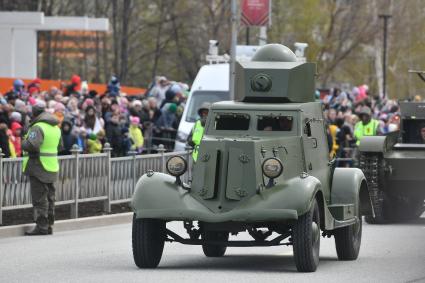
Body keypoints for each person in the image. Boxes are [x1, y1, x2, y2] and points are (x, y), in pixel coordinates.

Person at [22, 102, 61, 235]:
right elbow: (60, 146)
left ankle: (41, 226)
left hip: (38, 166)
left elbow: (32, 145)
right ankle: (49, 225)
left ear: (34, 114)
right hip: (51, 166)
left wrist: (23, 141)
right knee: (50, 198)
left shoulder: (37, 127)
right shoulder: (55, 128)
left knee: (39, 198)